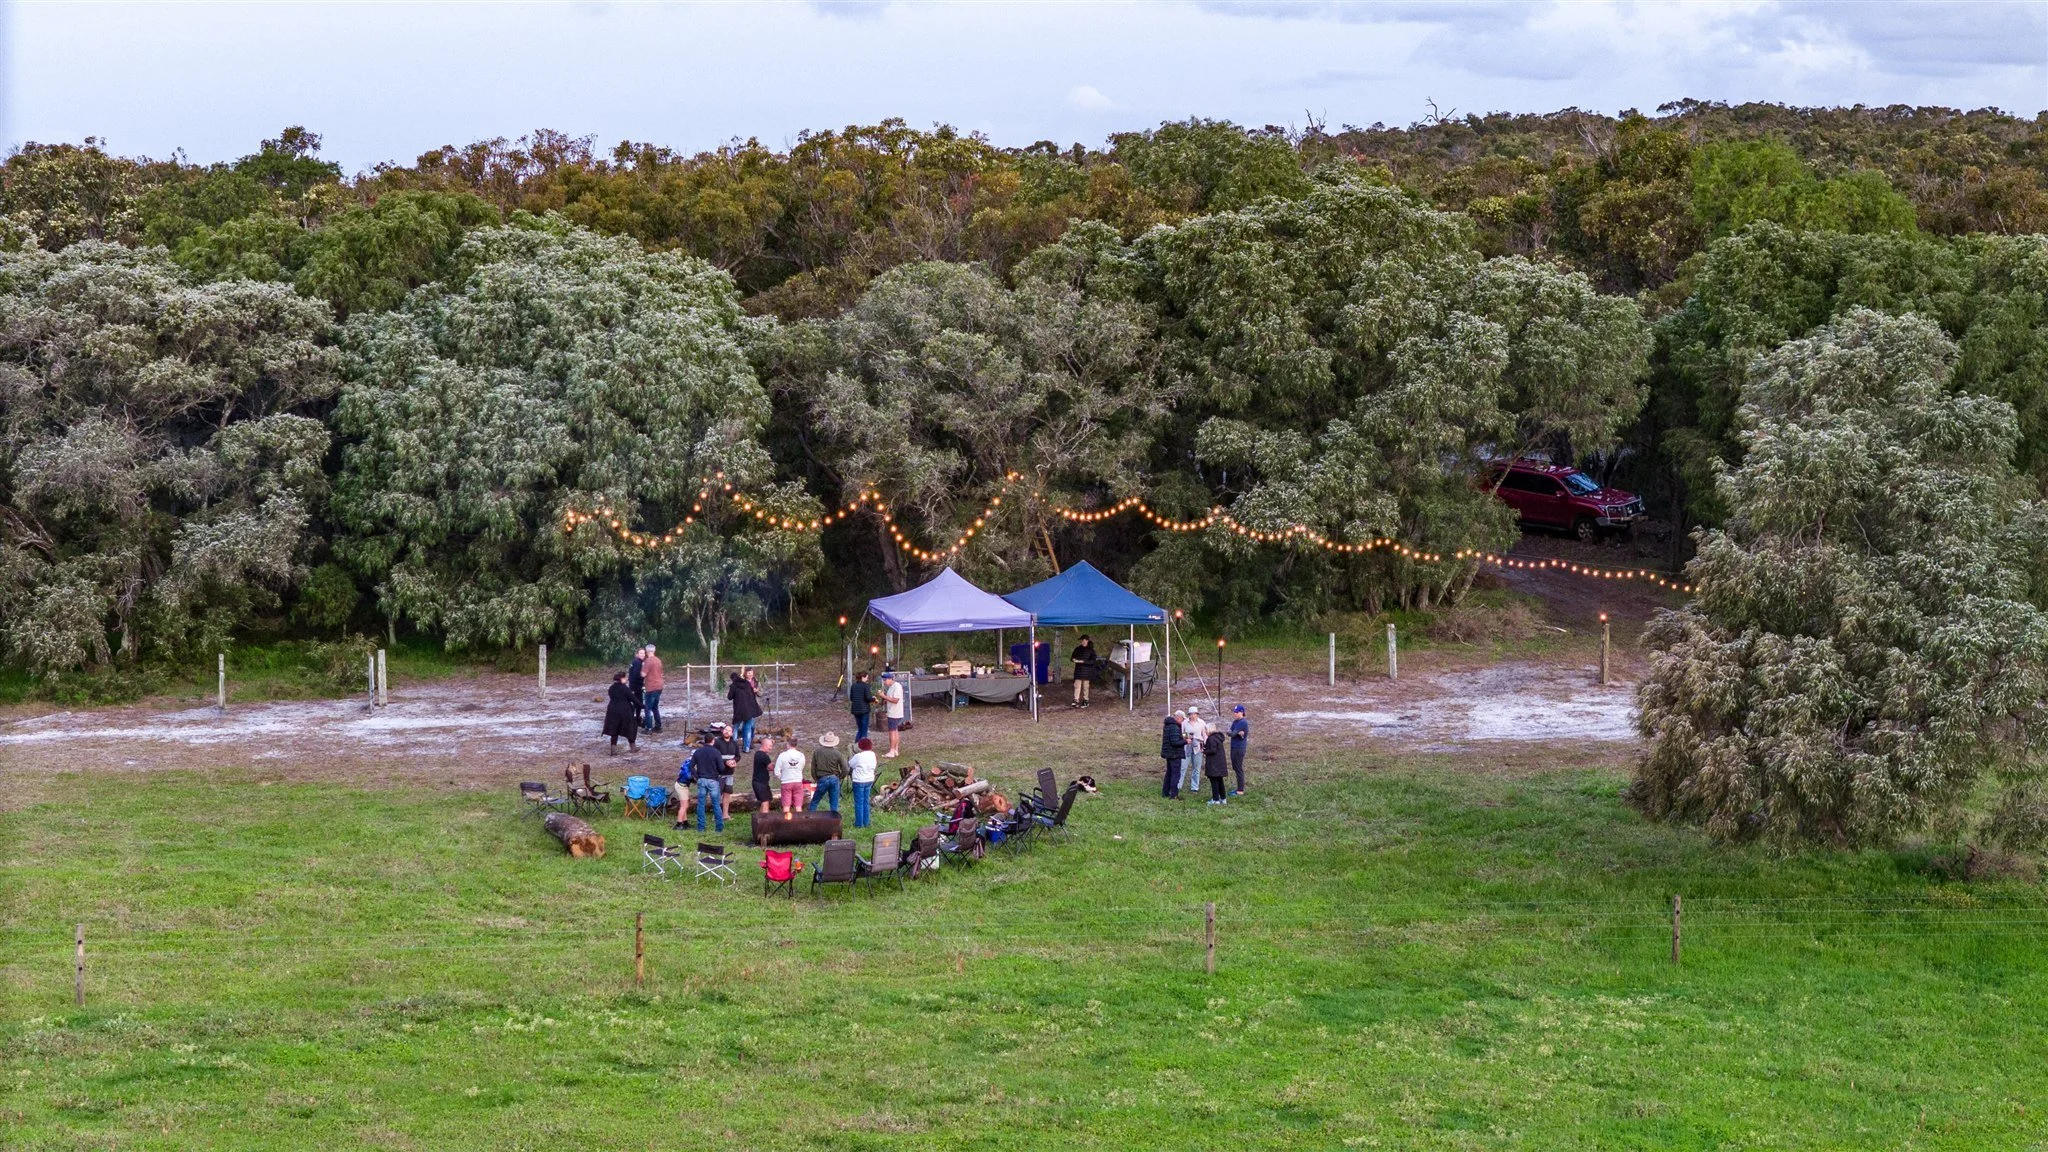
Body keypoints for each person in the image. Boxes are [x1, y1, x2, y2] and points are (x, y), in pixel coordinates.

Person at [684, 731, 727, 832]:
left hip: (702, 780)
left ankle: (701, 827)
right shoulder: (716, 752)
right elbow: (721, 768)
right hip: (713, 780)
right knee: (716, 804)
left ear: (704, 741)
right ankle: (719, 828)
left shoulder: (698, 752)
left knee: (701, 804)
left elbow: (690, 766)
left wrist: (697, 776)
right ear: (713, 741)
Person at [809, 732, 847, 814]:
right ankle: (834, 822)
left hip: (822, 778)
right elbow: (845, 769)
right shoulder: (838, 753)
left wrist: (816, 778)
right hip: (834, 778)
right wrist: (840, 777)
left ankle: (809, 818)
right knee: (834, 803)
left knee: (815, 801)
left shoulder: (817, 752)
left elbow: (813, 768)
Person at [602, 671, 639, 754]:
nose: (626, 679)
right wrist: (642, 706)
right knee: (630, 728)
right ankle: (633, 747)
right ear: (621, 679)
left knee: (614, 730)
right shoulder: (625, 688)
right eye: (625, 678)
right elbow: (633, 698)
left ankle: (613, 749)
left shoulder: (611, 688)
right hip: (625, 711)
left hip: (612, 711)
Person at [848, 737, 880, 828]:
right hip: (869, 779)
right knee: (866, 801)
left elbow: (850, 764)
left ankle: (859, 824)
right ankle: (866, 822)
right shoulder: (873, 754)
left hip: (859, 780)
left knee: (859, 802)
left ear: (860, 746)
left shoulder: (858, 756)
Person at [729, 669, 762, 750]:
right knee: (748, 728)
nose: (750, 674)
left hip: (739, 710)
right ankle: (746, 747)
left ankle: (733, 747)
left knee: (735, 728)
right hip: (750, 710)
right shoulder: (747, 684)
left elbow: (729, 697)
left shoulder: (733, 686)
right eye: (748, 673)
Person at [774, 738, 808, 816]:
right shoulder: (801, 755)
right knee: (798, 806)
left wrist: (782, 777)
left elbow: (776, 771)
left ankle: (787, 822)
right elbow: (801, 767)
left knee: (786, 806)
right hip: (798, 781)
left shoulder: (783, 755)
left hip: (786, 782)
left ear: (788, 744)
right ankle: (800, 822)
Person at [1182, 705, 1209, 795]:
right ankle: (1178, 785)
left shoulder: (1201, 723)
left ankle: (1194, 787)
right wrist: (1186, 739)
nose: (1192, 716)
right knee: (1183, 767)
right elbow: (1183, 732)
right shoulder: (1185, 723)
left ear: (1197, 714)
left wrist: (1205, 744)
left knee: (1196, 768)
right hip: (1187, 747)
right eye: (1191, 714)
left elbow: (1204, 735)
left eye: (1194, 714)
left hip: (1198, 746)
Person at [1160, 709, 1186, 799]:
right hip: (1175, 754)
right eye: (1183, 719)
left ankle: (1165, 792)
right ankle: (1174, 794)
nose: (1183, 721)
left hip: (1168, 753)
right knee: (1175, 774)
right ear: (1179, 717)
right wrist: (1185, 741)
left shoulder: (1168, 725)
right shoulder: (1175, 727)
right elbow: (1175, 742)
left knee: (1169, 773)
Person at [881, 671, 907, 758]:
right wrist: (885, 700)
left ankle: (891, 751)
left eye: (885, 680)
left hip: (894, 713)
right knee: (895, 731)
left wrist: (883, 696)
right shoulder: (891, 687)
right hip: (892, 711)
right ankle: (895, 749)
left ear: (890, 679)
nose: (884, 682)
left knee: (892, 732)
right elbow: (890, 698)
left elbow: (895, 700)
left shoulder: (897, 687)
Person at [750, 733, 777, 812]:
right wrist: (779, 764)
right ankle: (765, 821)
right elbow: (770, 767)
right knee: (765, 802)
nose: (771, 748)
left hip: (760, 782)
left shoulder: (757, 754)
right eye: (770, 746)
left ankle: (760, 819)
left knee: (765, 801)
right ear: (765, 745)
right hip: (760, 783)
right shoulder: (763, 755)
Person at [641, 644, 664, 733]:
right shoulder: (658, 660)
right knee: (655, 707)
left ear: (647, 652)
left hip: (651, 687)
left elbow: (643, 674)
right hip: (659, 686)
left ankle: (648, 727)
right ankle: (658, 726)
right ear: (654, 651)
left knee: (648, 708)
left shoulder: (648, 661)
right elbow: (661, 673)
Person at [1070, 635, 1099, 707]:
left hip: (1087, 671)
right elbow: (1072, 657)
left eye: (1083, 640)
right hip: (1078, 671)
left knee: (1085, 687)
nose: (1082, 642)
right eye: (1082, 641)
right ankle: (1076, 700)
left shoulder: (1091, 650)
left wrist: (1083, 661)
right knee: (1077, 686)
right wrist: (1073, 659)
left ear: (1087, 641)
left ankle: (1086, 700)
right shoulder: (1077, 649)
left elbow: (1093, 661)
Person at [1203, 725, 1229, 803]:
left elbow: (1212, 750)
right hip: (1220, 763)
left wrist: (1204, 751)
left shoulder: (1211, 739)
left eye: (1206, 730)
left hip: (1213, 764)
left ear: (1209, 730)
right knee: (1220, 781)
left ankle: (1215, 799)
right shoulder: (1218, 738)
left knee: (1214, 782)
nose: (1205, 732)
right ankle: (1223, 798)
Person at [1229, 704, 1250, 796]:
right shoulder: (1235, 722)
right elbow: (1229, 732)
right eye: (1234, 712)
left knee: (1238, 768)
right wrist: (1236, 733)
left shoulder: (1243, 722)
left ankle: (1240, 790)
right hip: (1233, 747)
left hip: (1239, 748)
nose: (1235, 714)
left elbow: (1232, 734)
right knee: (1235, 767)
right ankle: (1238, 788)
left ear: (1242, 712)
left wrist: (1234, 733)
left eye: (1237, 712)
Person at [848, 670, 874, 743]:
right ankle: (862, 745)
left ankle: (856, 744)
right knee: (864, 729)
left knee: (860, 728)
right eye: (866, 677)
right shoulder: (866, 686)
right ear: (863, 677)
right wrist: (874, 699)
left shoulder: (853, 686)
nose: (867, 679)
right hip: (864, 710)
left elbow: (851, 698)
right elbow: (868, 698)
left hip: (855, 710)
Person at [628, 647, 647, 724]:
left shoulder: (634, 661)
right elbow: (636, 675)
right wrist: (643, 681)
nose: (642, 655)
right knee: (638, 703)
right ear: (637, 654)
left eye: (643, 653)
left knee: (635, 702)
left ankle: (634, 718)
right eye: (641, 653)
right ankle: (636, 719)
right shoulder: (638, 663)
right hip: (636, 686)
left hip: (632, 685)